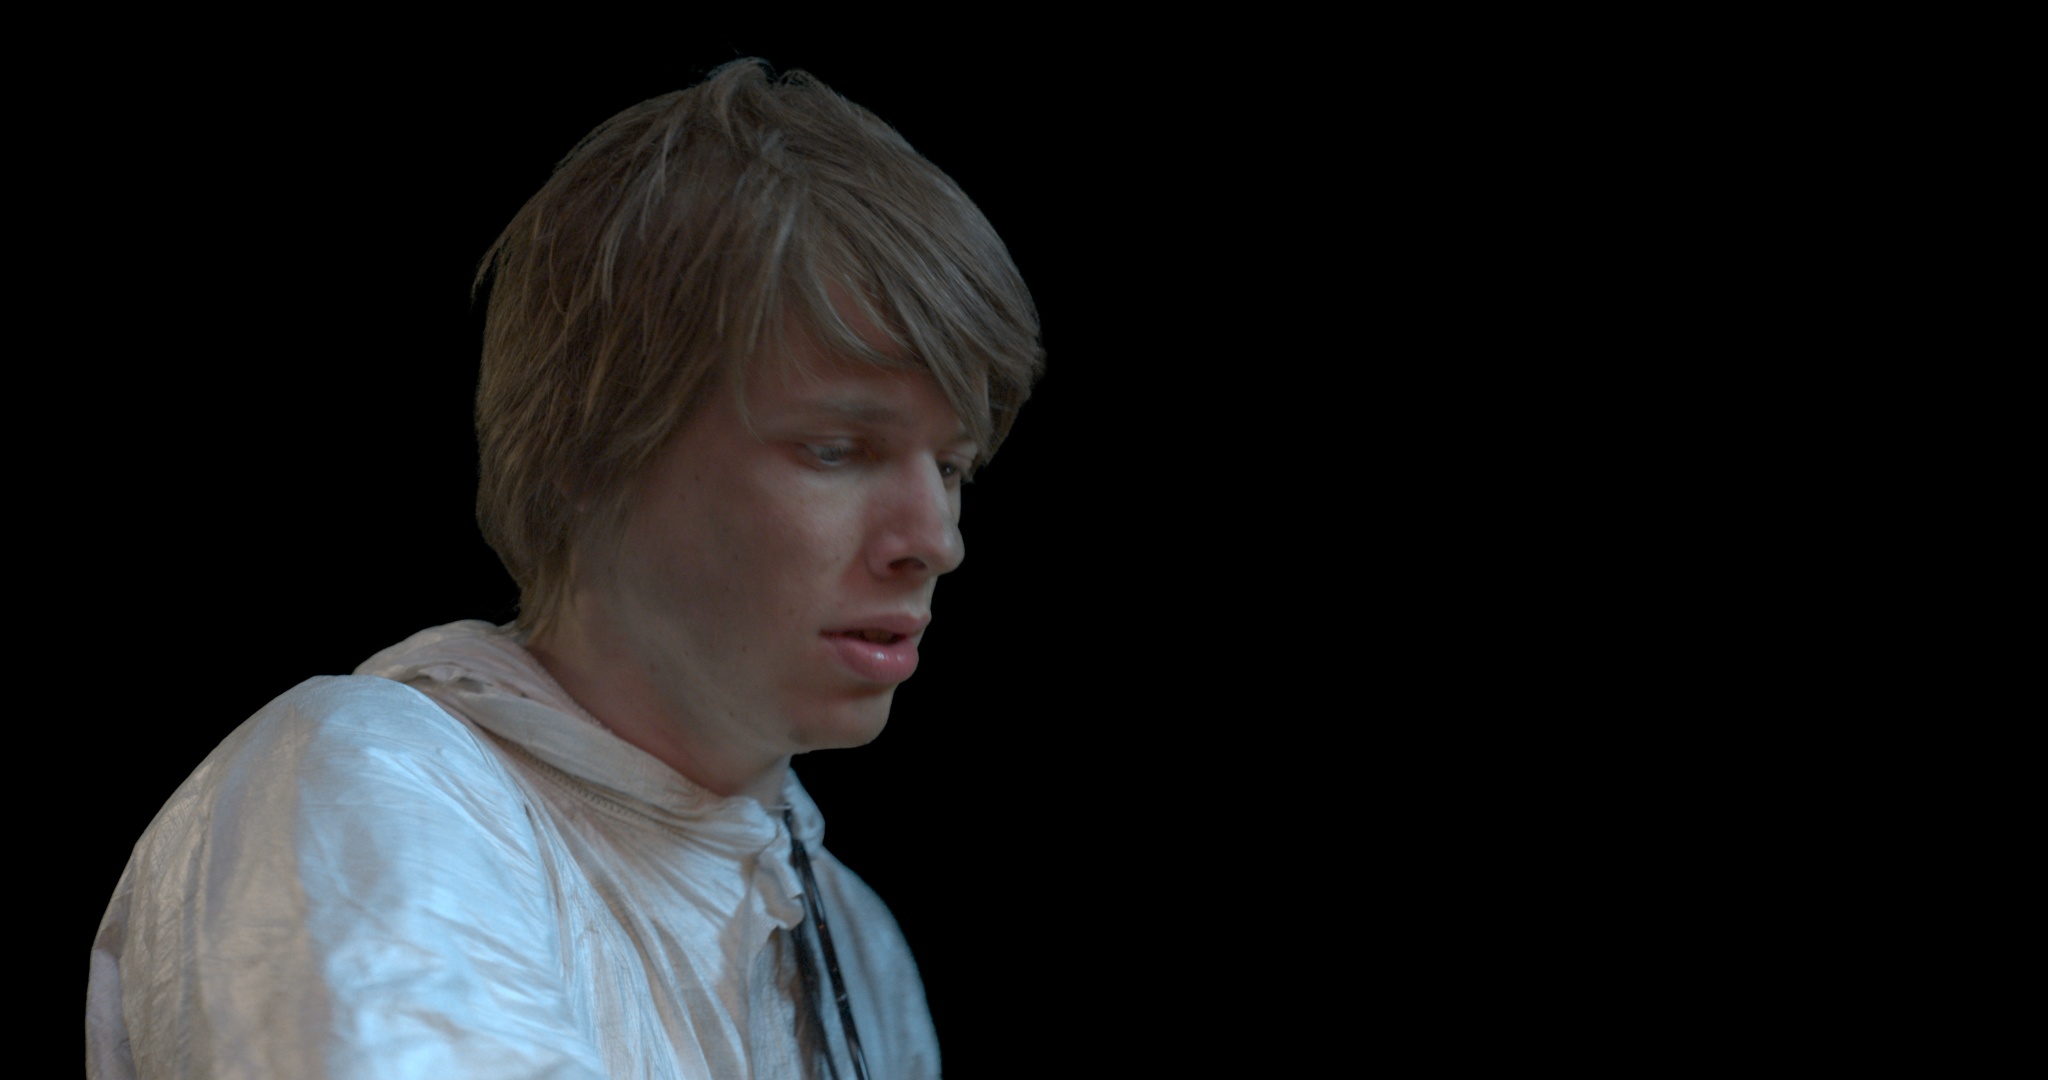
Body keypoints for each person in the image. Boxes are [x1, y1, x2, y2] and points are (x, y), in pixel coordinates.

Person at [86, 59, 1043, 1079]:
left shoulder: (851, 941)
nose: (933, 539)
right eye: (836, 450)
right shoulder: (372, 788)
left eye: (952, 467)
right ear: (592, 451)